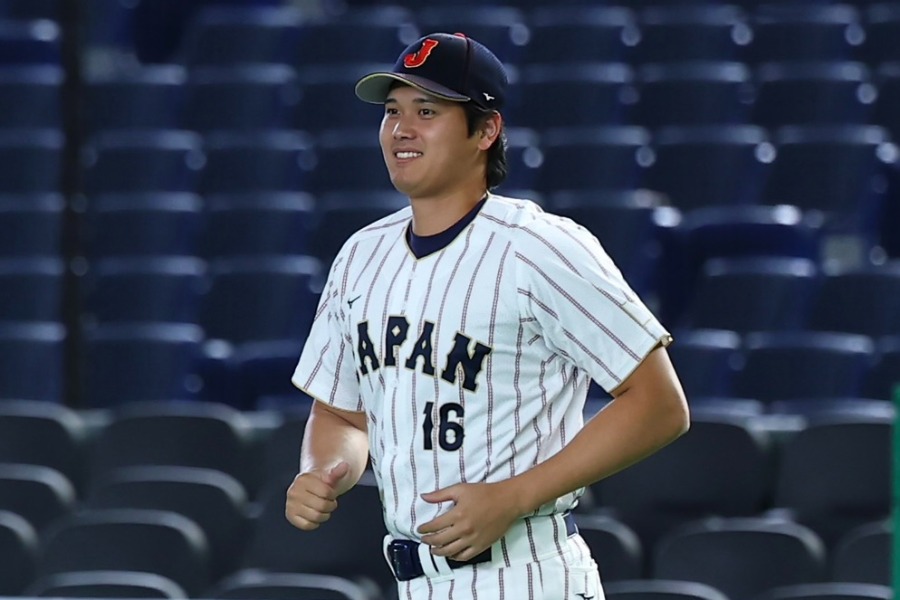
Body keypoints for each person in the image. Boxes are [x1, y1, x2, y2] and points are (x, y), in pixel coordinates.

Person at [286, 32, 690, 599]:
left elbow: (660, 405)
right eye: (392, 111)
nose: (402, 128)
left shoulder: (540, 246)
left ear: (486, 130)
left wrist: (517, 494)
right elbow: (344, 415)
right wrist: (324, 469)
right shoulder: (360, 255)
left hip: (526, 573)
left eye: (427, 111)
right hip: (416, 583)